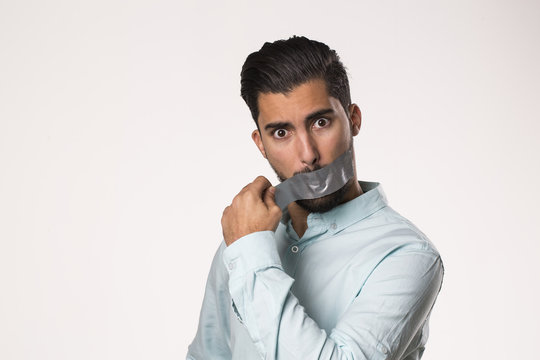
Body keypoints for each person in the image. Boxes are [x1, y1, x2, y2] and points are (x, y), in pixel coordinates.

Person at [187, 36, 444, 359]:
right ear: (261, 143)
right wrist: (246, 247)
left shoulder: (406, 255)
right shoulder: (242, 240)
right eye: (282, 133)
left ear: (353, 120)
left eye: (321, 123)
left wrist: (251, 254)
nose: (307, 155)